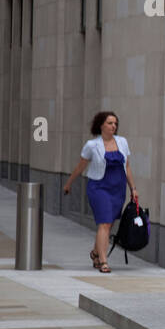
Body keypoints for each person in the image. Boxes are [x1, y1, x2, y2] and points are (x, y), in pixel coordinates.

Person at [63, 111, 136, 273]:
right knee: (104, 222)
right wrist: (68, 184)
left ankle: (96, 253)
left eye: (115, 123)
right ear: (101, 125)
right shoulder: (92, 145)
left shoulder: (122, 142)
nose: (113, 126)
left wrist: (133, 188)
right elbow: (80, 167)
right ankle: (103, 261)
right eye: (110, 123)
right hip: (99, 187)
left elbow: (128, 166)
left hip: (118, 189)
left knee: (108, 224)